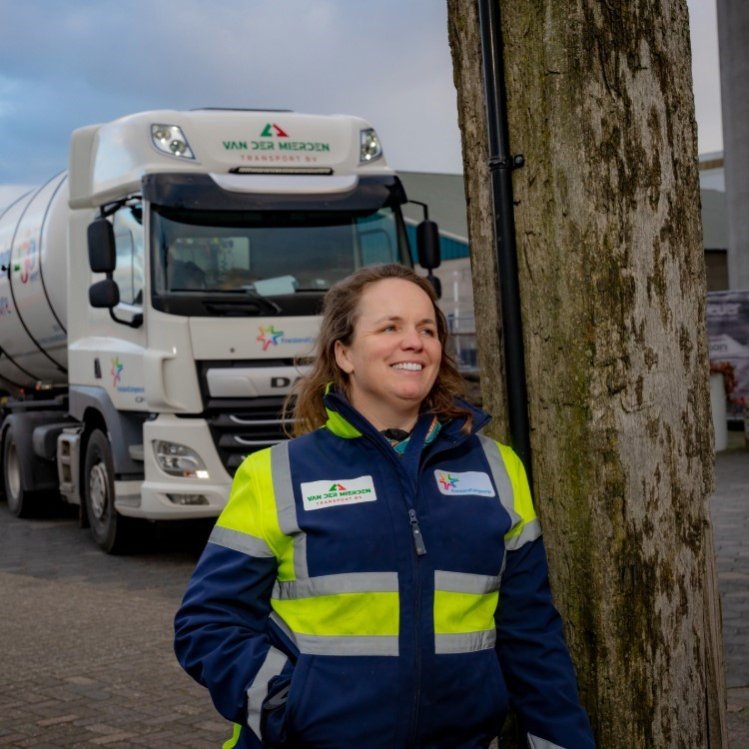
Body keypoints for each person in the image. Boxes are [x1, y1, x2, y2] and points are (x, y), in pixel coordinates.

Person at [174, 263, 595, 749]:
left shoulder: (497, 468)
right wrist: (287, 702)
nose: (414, 342)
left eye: (427, 329)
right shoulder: (275, 474)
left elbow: (532, 637)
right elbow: (207, 624)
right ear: (345, 353)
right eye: (390, 327)